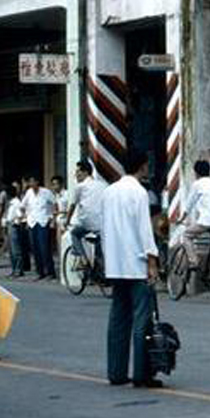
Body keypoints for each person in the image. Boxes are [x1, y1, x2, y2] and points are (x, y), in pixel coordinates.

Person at [101, 149, 161, 388]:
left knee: (118, 318)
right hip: (135, 263)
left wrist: (107, 260)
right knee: (141, 319)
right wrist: (152, 260)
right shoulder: (139, 192)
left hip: (115, 263)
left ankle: (116, 372)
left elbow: (104, 229)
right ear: (143, 167)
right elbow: (145, 230)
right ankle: (141, 374)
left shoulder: (109, 192)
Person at [66, 161, 107, 265]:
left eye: (78, 172)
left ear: (85, 172)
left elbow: (72, 206)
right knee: (99, 245)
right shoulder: (103, 185)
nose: (76, 174)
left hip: (87, 224)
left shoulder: (80, 187)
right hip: (102, 224)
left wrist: (67, 220)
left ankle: (83, 259)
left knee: (74, 233)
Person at [180, 159, 210, 240]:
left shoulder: (197, 184)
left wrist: (181, 218)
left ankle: (192, 253)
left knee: (185, 235)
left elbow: (189, 204)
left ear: (196, 173)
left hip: (207, 222)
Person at [21, 175, 56, 280]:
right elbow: (23, 206)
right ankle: (40, 272)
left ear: (37, 182)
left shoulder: (46, 192)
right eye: (30, 182)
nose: (31, 184)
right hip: (32, 222)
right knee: (35, 248)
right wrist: (26, 217)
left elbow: (54, 204)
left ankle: (50, 271)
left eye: (33, 182)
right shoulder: (28, 193)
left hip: (43, 221)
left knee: (44, 247)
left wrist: (51, 216)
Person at [4, 185, 24, 278]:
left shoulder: (16, 203)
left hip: (13, 226)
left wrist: (15, 222)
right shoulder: (10, 202)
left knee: (16, 249)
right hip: (8, 225)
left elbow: (20, 215)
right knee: (11, 250)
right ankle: (13, 269)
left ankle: (18, 270)